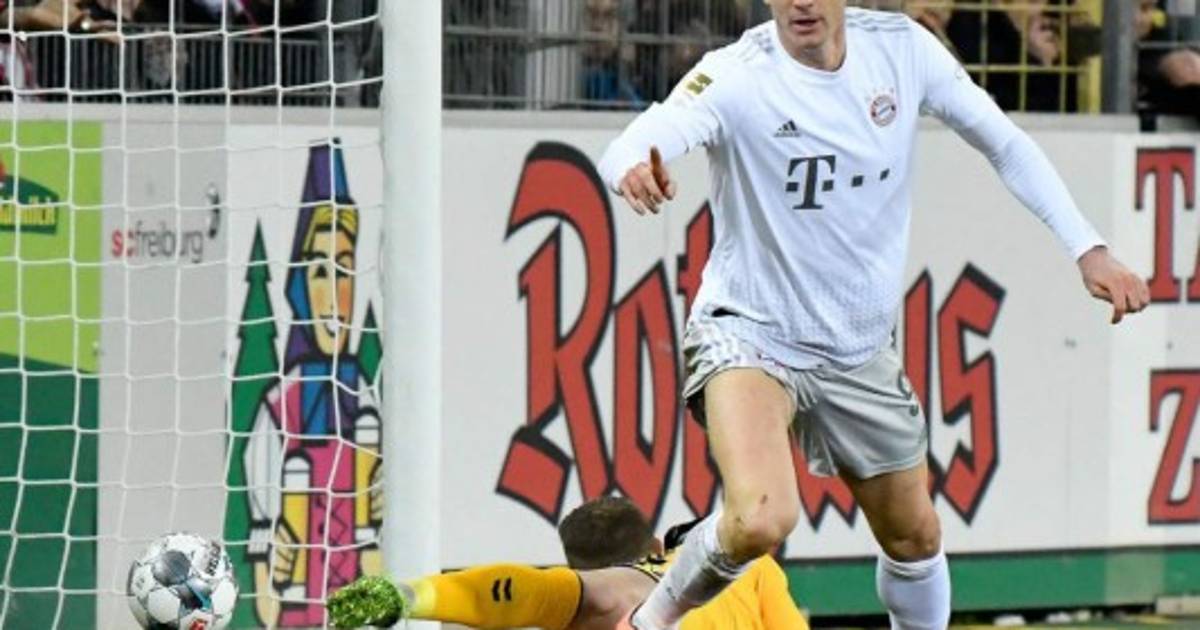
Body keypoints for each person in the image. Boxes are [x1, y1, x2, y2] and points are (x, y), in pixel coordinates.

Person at [595, 1, 1149, 629]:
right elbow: (633, 142)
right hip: (749, 333)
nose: (801, 3)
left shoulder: (902, 50)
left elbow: (1003, 142)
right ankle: (646, 623)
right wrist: (631, 169)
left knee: (915, 535)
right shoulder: (737, 75)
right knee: (761, 518)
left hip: (857, 349)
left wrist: (1088, 248)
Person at [326, 497, 808, 630]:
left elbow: (518, 591)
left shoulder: (612, 595)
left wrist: (410, 596)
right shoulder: (753, 570)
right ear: (655, 544)